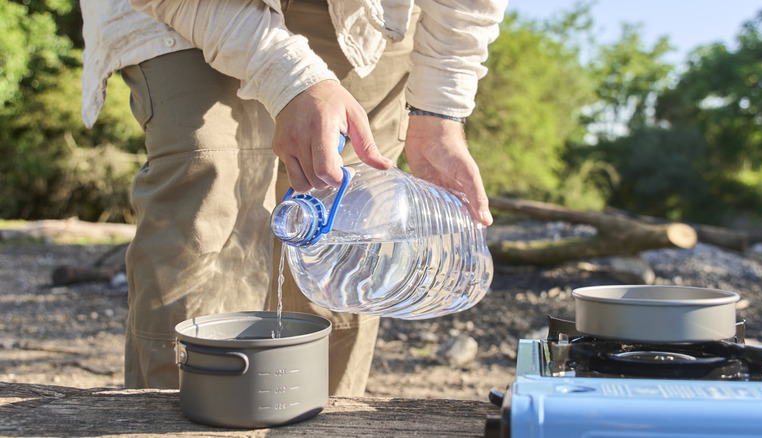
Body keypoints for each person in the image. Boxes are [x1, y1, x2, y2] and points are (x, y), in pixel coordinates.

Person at [79, 0, 504, 395]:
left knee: (351, 220)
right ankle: (181, 419)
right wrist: (292, 80)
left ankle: (324, 420)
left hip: (370, 13)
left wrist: (439, 114)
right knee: (209, 187)